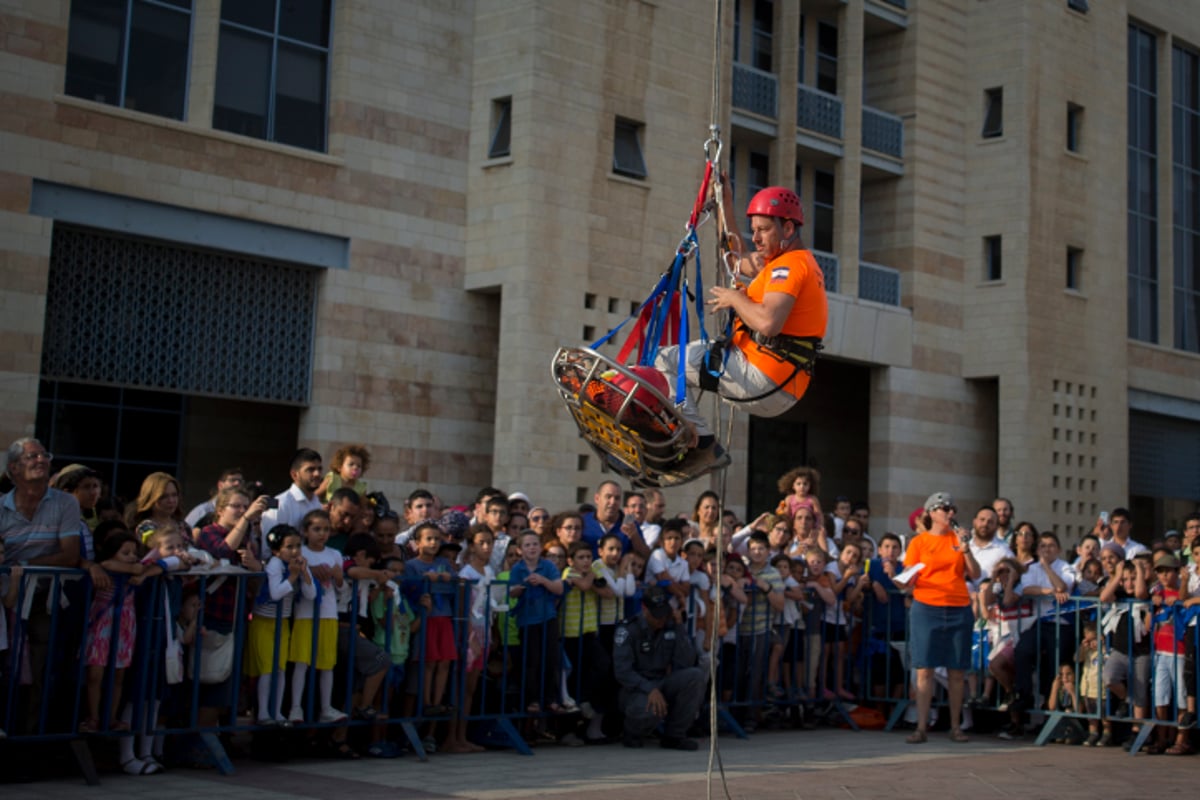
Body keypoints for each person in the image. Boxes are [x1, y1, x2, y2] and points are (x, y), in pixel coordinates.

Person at [649, 186, 828, 477]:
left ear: (788, 228)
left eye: (764, 230)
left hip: (764, 378)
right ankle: (687, 438)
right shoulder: (780, 265)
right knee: (671, 364)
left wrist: (736, 299)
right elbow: (734, 257)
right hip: (778, 384)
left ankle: (699, 444)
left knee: (664, 361)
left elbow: (769, 323)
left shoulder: (789, 267)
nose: (756, 238)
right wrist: (725, 204)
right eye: (753, 230)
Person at [894, 492, 980, 744]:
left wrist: (966, 550)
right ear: (932, 512)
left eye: (952, 508)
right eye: (945, 508)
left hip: (958, 606)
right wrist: (906, 578)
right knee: (924, 669)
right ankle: (921, 727)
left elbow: (974, 574)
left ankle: (955, 726)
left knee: (956, 670)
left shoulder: (959, 539)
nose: (950, 513)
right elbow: (908, 576)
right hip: (926, 607)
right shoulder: (919, 542)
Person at [613, 584, 705, 750]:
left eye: (664, 614)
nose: (661, 620)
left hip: (662, 681)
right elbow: (623, 671)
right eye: (657, 616)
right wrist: (649, 689)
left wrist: (679, 627)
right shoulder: (628, 629)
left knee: (695, 676)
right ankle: (631, 732)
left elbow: (686, 661)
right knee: (649, 709)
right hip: (636, 689)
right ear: (645, 609)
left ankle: (674, 736)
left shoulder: (670, 625)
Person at [248, 524, 314, 726]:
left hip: (283, 623)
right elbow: (275, 593)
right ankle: (263, 713)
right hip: (264, 622)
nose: (295, 551)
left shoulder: (300, 564)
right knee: (267, 669)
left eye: (298, 546)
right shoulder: (275, 564)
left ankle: (277, 712)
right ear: (277, 550)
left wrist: (304, 574)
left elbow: (311, 594)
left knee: (280, 668)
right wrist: (292, 577)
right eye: (289, 547)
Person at [288, 508, 347, 726]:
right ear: (305, 531)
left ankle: (326, 707)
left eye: (326, 529)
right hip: (305, 613)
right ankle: (296, 707)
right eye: (316, 529)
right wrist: (310, 569)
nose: (322, 534)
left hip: (328, 614)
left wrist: (339, 577)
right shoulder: (300, 552)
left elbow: (341, 590)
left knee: (326, 664)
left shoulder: (334, 554)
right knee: (301, 663)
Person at [259, 448, 325, 555]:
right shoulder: (279, 502)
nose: (317, 474)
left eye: (319, 469)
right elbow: (268, 547)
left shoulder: (316, 503)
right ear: (295, 475)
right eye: (310, 470)